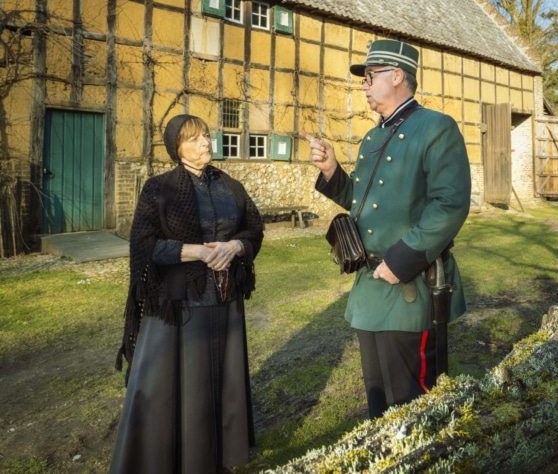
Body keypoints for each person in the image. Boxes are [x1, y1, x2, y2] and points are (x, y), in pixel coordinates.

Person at [301, 39, 471, 419]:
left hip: (411, 287)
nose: (363, 84)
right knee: (380, 406)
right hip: (371, 290)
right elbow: (364, 204)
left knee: (414, 406)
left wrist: (400, 260)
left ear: (397, 76)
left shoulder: (436, 128)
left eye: (370, 76)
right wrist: (332, 172)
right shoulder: (374, 137)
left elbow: (450, 205)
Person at [109, 114, 264, 474]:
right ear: (176, 148)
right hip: (178, 305)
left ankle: (219, 455)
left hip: (226, 303)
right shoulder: (159, 188)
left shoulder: (231, 186)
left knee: (218, 384)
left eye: (206, 136)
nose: (205, 144)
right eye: (193, 139)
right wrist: (196, 251)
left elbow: (254, 230)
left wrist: (236, 247)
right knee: (176, 391)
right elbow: (143, 246)